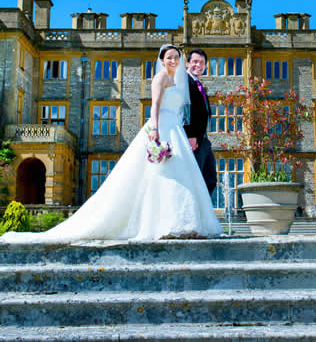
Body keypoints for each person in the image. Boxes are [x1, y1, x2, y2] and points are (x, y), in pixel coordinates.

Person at [1, 44, 223, 243]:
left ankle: (179, 222)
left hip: (176, 130)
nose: (173, 60)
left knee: (178, 177)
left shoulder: (180, 81)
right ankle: (161, 224)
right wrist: (155, 129)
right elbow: (154, 104)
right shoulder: (161, 78)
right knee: (159, 176)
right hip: (162, 127)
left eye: (176, 57)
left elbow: (188, 111)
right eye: (170, 57)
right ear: (162, 60)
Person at [184, 49, 217, 196]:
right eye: (195, 61)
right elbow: (184, 109)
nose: (199, 65)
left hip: (203, 139)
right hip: (193, 139)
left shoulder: (197, 83)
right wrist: (191, 135)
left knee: (210, 178)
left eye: (202, 62)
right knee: (194, 179)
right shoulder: (185, 82)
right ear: (187, 63)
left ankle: (203, 211)